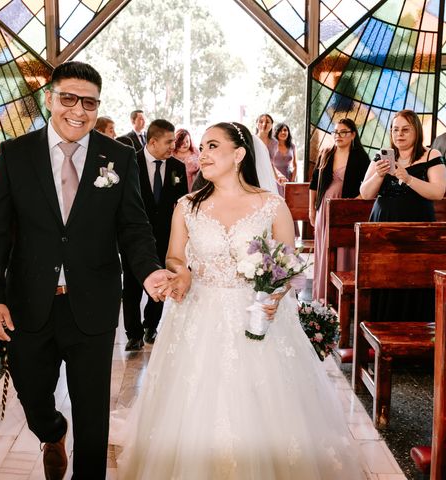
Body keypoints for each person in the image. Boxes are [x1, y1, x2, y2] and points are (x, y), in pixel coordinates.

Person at [114, 122, 366, 479]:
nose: (203, 153)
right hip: (199, 318)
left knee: (265, 409)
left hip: (258, 320)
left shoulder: (271, 205)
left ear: (239, 154)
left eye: (213, 145)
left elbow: (288, 265)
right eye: (201, 146)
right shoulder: (187, 207)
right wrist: (181, 273)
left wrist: (273, 297)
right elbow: (173, 257)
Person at [0, 61, 171, 479]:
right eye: (68, 97)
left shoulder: (118, 156)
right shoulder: (15, 154)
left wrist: (150, 270)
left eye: (89, 101)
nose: (77, 110)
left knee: (93, 412)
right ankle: (52, 430)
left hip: (93, 303)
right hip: (28, 302)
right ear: (49, 98)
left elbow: (134, 227)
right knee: (32, 394)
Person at [360, 109, 446, 323]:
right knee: (384, 276)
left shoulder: (431, 156)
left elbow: (438, 192)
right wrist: (379, 175)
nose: (399, 134)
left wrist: (408, 179)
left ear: (416, 131)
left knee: (413, 276)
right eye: (395, 129)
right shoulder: (382, 155)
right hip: (383, 226)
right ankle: (381, 327)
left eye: (405, 129)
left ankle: (416, 329)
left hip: (417, 228)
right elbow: (365, 193)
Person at [122, 119, 187, 350]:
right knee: (131, 284)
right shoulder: (130, 162)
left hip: (165, 236)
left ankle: (151, 326)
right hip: (134, 238)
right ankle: (133, 333)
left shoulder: (177, 168)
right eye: (169, 142)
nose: (173, 146)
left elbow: (182, 205)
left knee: (162, 281)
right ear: (153, 141)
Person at [309, 118, 369, 301]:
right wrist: (312, 209)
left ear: (352, 135)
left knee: (343, 250)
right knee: (323, 249)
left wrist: (353, 204)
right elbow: (313, 184)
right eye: (336, 132)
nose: (338, 136)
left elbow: (368, 186)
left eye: (343, 132)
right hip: (324, 209)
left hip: (345, 211)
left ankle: (340, 297)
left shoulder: (360, 157)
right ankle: (322, 296)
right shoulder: (326, 153)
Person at [271, 122, 297, 196]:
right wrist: (277, 176)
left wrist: (292, 181)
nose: (283, 132)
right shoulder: (272, 146)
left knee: (288, 201)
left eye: (285, 130)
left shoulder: (292, 146)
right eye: (280, 130)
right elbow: (269, 163)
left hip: (288, 177)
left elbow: (295, 165)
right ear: (276, 132)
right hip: (274, 177)